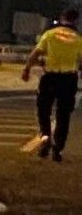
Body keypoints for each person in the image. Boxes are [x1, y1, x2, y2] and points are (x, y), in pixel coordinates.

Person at [20, 8, 82, 162]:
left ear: (62, 18)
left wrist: (27, 69)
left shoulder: (50, 34)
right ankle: (58, 148)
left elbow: (36, 53)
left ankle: (46, 138)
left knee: (43, 110)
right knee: (63, 114)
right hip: (68, 80)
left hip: (50, 78)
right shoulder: (78, 39)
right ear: (76, 21)